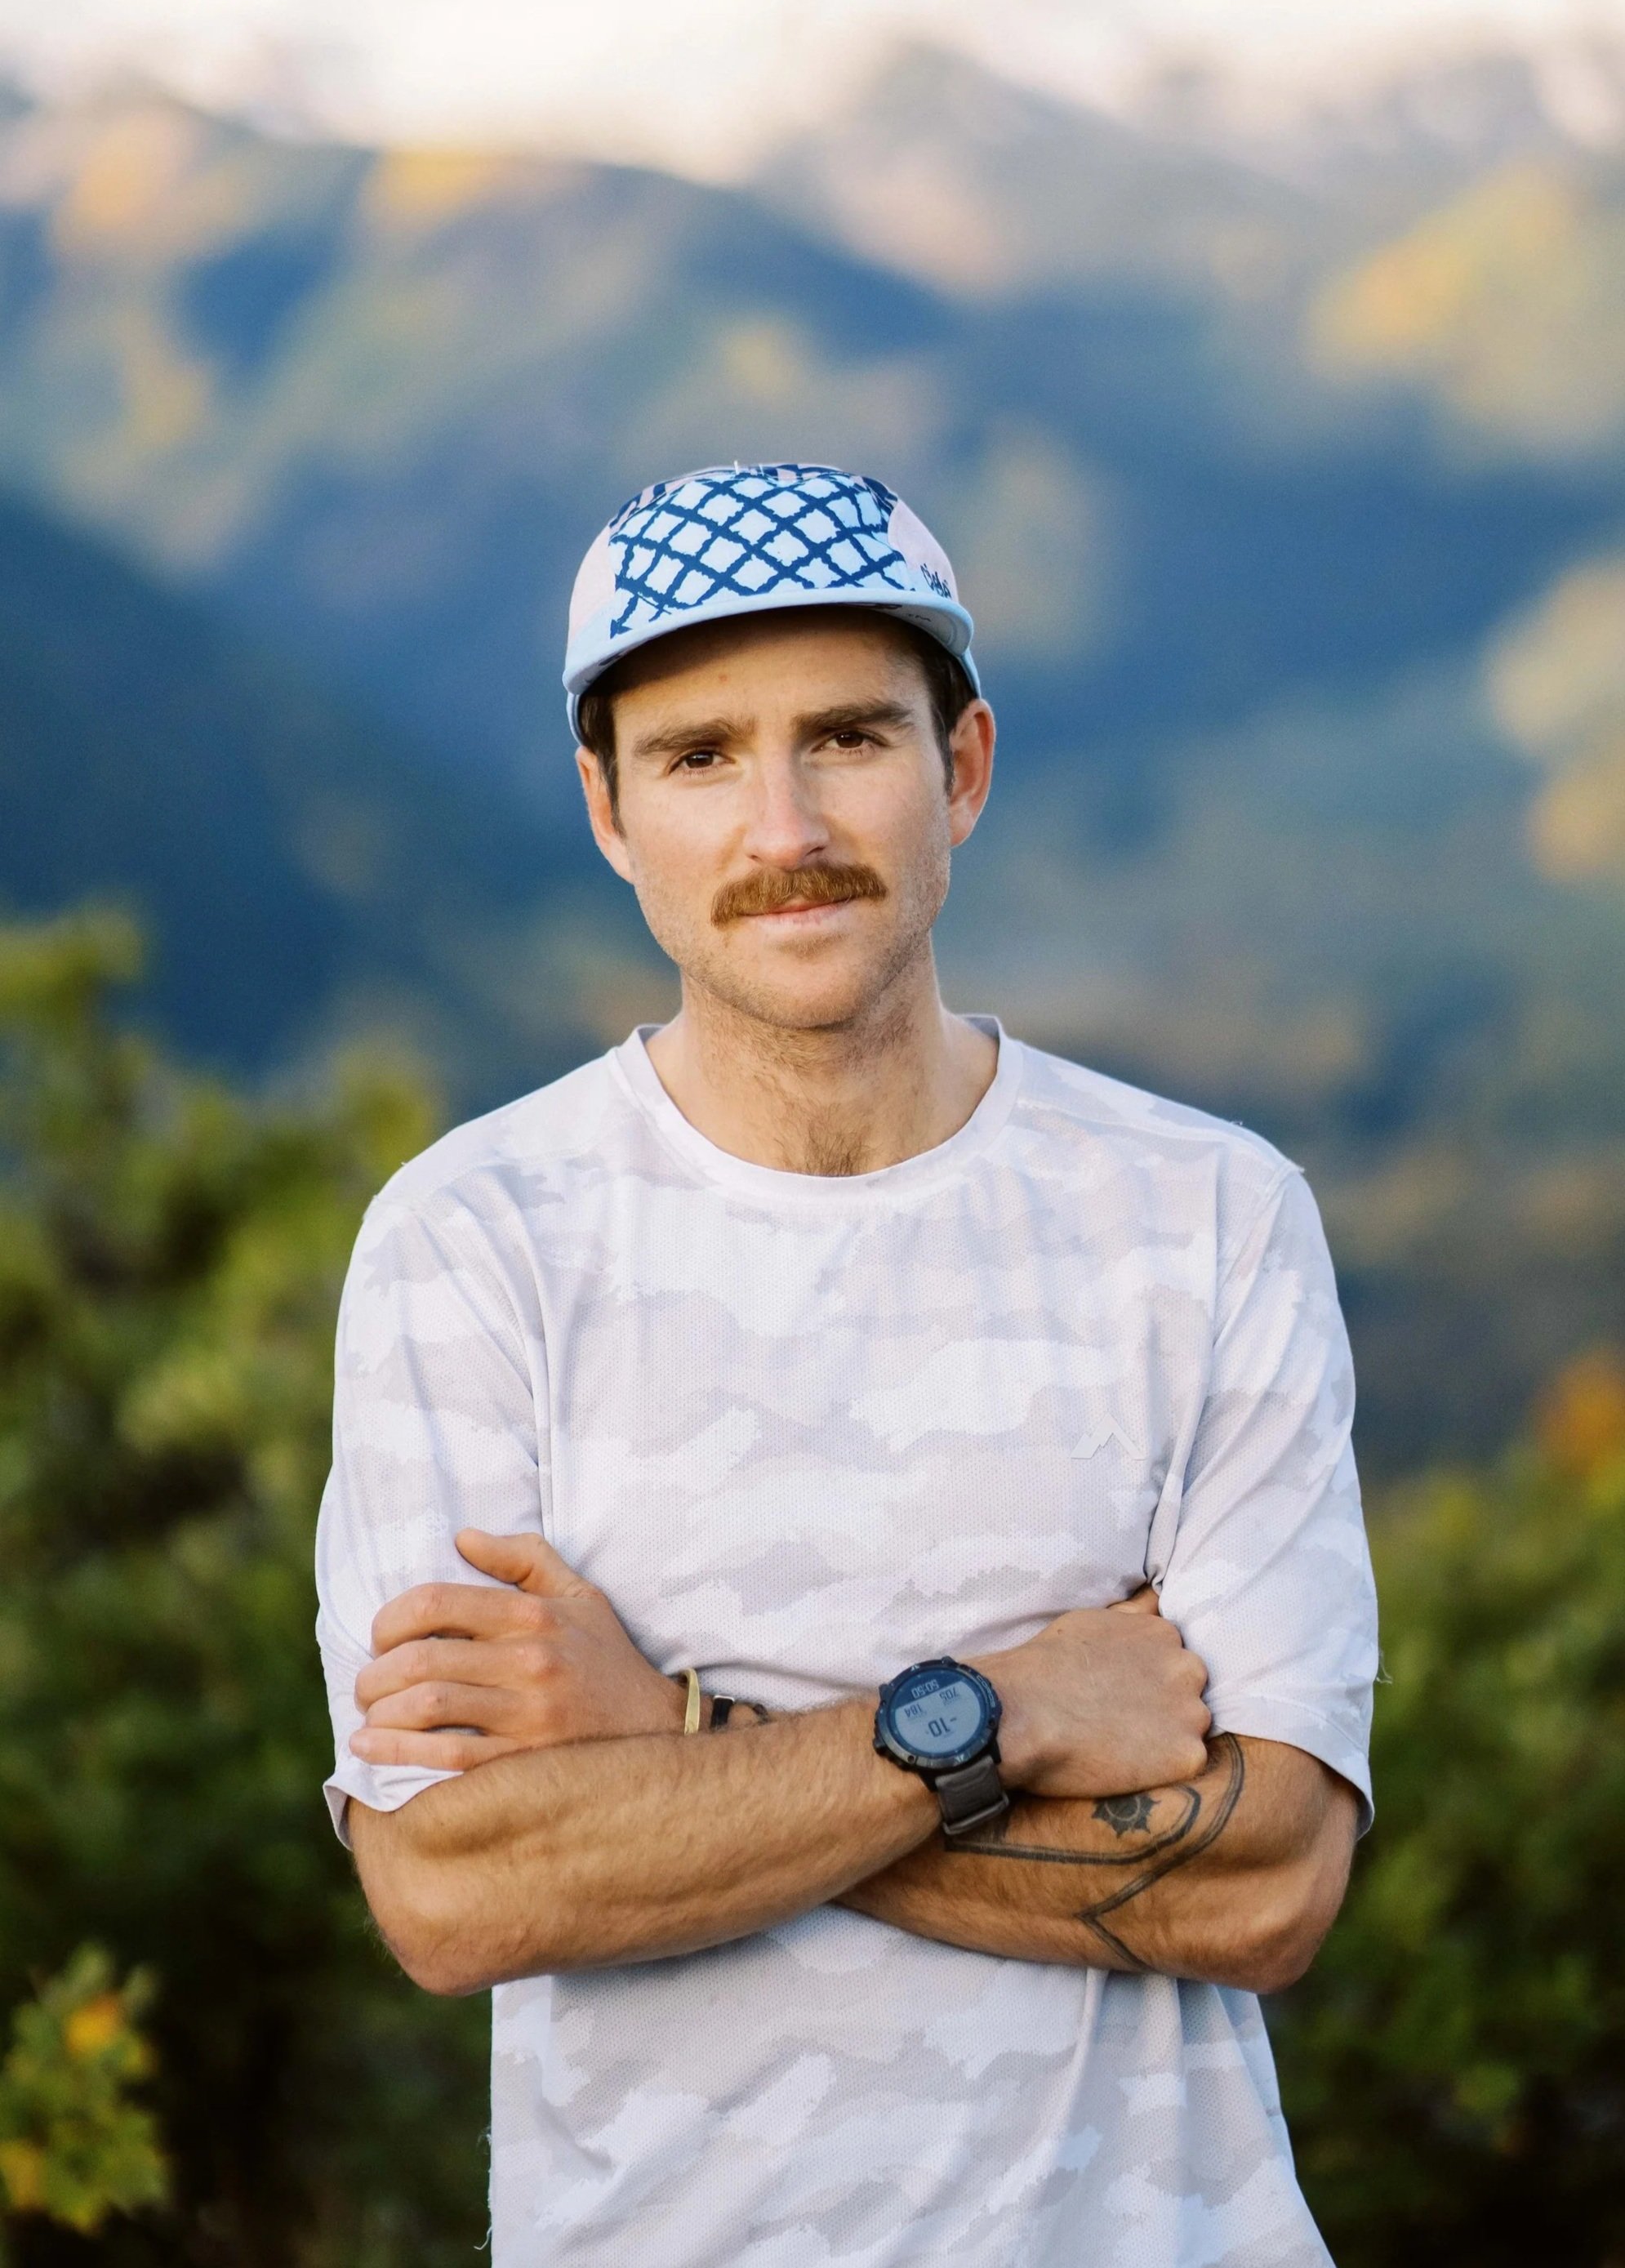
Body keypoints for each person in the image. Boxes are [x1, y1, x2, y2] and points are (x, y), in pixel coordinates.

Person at [315, 461, 1378, 2267]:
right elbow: (452, 1882)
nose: (781, 821)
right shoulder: (472, 1241)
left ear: (959, 768)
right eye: (700, 754)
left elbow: (1267, 1877)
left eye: (847, 738)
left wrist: (663, 1743)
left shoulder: (1206, 1218)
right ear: (606, 808)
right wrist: (1006, 1711)